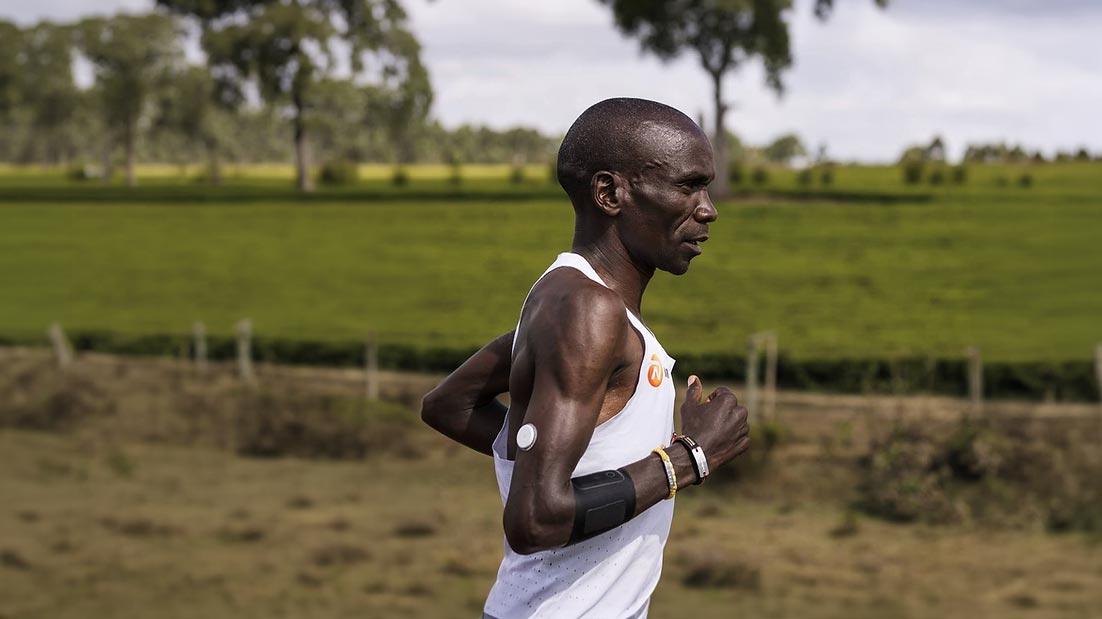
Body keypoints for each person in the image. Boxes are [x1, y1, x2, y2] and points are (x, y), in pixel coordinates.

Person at [421, 98, 751, 619]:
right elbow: (533, 519)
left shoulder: (575, 307)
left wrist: (537, 454)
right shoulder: (585, 310)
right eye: (688, 186)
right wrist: (690, 457)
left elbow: (449, 404)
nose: (708, 208)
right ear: (609, 193)